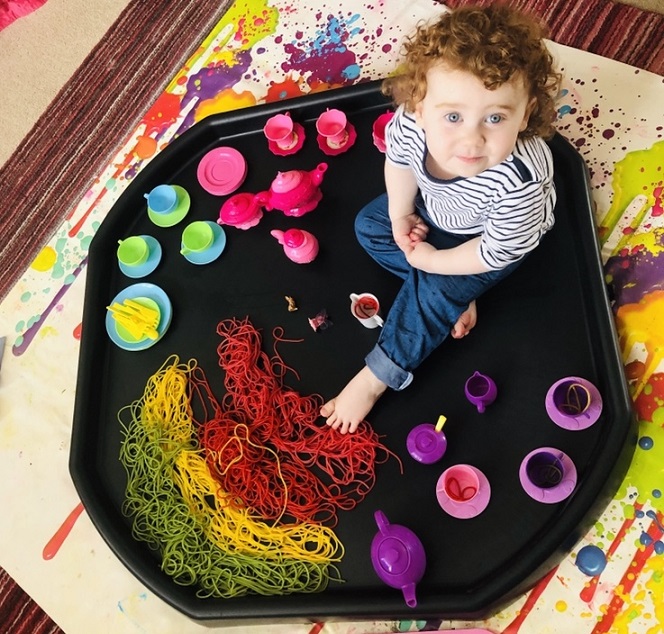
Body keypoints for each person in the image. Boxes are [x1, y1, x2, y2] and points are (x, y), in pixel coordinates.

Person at [322, 3, 562, 433]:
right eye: (452, 117)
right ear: (419, 106)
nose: (472, 138)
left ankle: (376, 377)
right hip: (436, 214)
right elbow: (397, 163)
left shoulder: (522, 178)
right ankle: (449, 295)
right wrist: (401, 215)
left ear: (525, 115)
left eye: (495, 117)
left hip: (490, 244)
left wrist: (433, 263)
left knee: (434, 290)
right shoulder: (412, 125)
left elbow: (495, 250)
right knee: (369, 227)